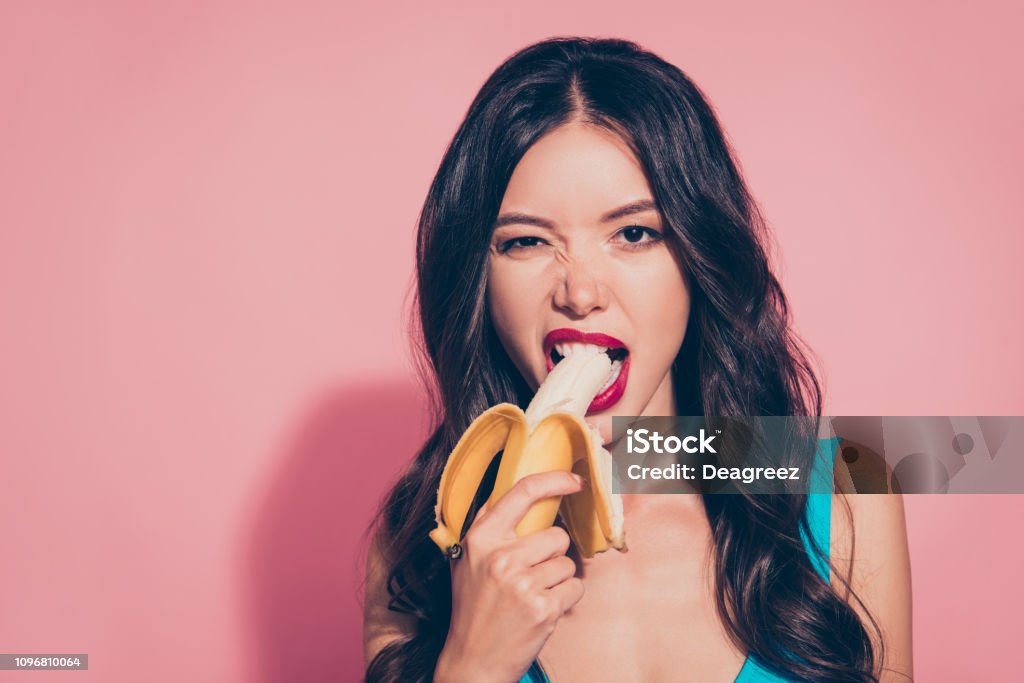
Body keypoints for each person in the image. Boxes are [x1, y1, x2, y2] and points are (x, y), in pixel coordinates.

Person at [362, 37, 912, 682]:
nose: (580, 292)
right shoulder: (415, 544)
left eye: (633, 233)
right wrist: (472, 665)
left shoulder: (847, 489)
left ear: (699, 259)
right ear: (477, 280)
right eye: (526, 240)